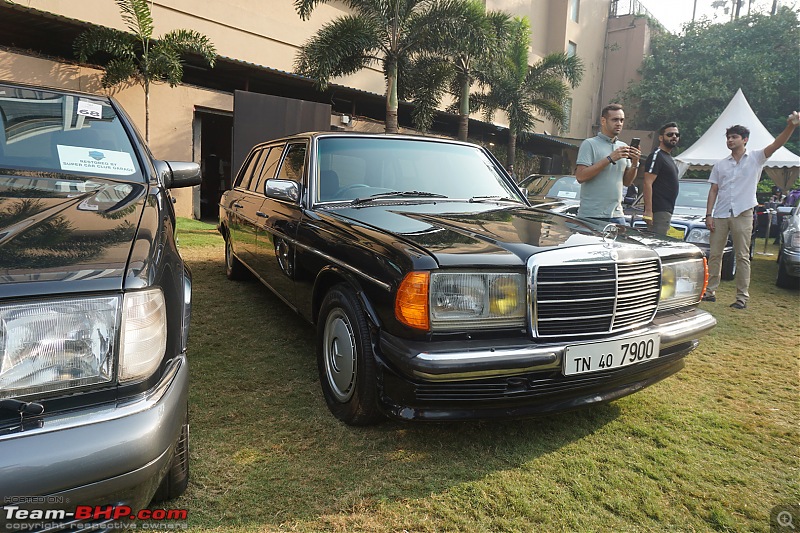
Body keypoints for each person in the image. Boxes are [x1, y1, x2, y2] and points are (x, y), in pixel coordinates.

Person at [702, 111, 799, 309]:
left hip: (744, 213)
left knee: (742, 256)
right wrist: (709, 214)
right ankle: (710, 291)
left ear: (744, 140)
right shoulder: (720, 164)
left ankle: (741, 298)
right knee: (715, 255)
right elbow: (713, 190)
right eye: (728, 137)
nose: (730, 140)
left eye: (734, 137)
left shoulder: (756, 157)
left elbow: (777, 144)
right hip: (720, 214)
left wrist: (791, 126)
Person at [576, 104, 641, 224]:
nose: (619, 123)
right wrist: (610, 158)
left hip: (617, 214)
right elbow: (580, 176)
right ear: (603, 121)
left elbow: (627, 182)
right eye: (615, 119)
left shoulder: (623, 147)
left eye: (621, 120)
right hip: (591, 215)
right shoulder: (589, 144)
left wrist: (635, 162)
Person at [642, 122, 681, 235]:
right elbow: (647, 183)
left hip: (667, 209)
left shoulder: (669, 158)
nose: (674, 137)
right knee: (656, 243)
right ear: (660, 137)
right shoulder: (657, 155)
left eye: (676, 135)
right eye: (670, 134)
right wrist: (649, 211)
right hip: (658, 210)